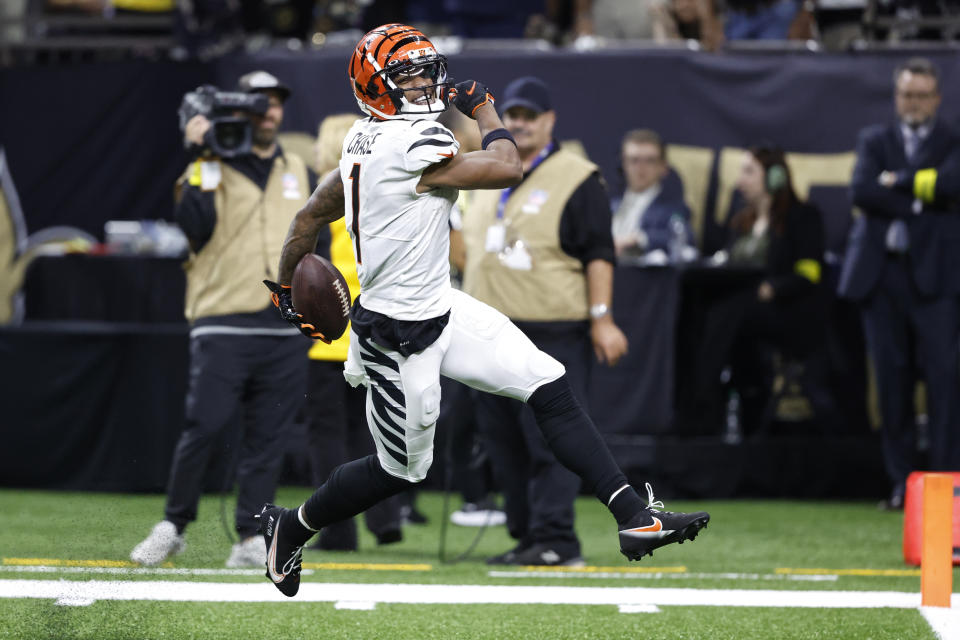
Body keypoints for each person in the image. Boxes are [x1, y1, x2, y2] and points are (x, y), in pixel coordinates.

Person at [257, 24, 709, 598]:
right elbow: (505, 167)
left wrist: (288, 286)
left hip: (439, 306)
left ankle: (633, 516)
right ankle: (291, 527)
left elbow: (308, 217)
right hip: (398, 338)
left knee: (548, 381)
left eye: (425, 70)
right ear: (374, 86)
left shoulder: (365, 138)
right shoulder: (406, 142)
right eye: (406, 75)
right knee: (401, 470)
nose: (423, 84)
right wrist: (487, 111)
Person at [130, 71, 311, 568]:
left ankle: (252, 536)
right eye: (258, 103)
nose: (268, 111)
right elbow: (194, 227)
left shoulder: (298, 165)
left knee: (267, 437)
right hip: (222, 316)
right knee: (204, 426)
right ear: (237, 111)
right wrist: (201, 155)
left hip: (282, 322)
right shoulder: (210, 163)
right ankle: (174, 524)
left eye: (275, 102)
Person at [458, 76, 626, 566]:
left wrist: (603, 317)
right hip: (487, 330)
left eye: (530, 116)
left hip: (551, 328)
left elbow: (599, 252)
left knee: (548, 440)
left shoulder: (576, 175)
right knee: (502, 443)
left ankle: (556, 539)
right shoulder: (488, 170)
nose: (520, 124)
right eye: (513, 115)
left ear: (550, 120)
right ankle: (528, 535)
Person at [839, 57, 960, 510]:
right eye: (907, 94)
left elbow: (954, 183)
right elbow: (861, 191)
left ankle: (947, 486)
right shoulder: (874, 139)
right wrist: (920, 200)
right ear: (897, 97)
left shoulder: (952, 140)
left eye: (922, 95)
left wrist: (898, 183)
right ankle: (901, 484)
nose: (914, 103)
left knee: (945, 385)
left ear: (937, 98)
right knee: (892, 384)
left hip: (937, 279)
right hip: (882, 276)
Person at [304, 113, 404, 551]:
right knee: (373, 432)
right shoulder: (379, 195)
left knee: (329, 437)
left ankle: (339, 529)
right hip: (374, 330)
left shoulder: (321, 202)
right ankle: (386, 520)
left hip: (328, 336)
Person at [691, 145, 826, 434]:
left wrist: (773, 288)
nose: (741, 180)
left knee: (731, 311)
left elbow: (809, 273)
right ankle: (696, 402)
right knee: (706, 310)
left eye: (749, 171)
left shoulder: (802, 217)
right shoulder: (742, 222)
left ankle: (705, 394)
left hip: (787, 313)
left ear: (775, 177)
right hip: (742, 314)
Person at [611, 128, 694, 261]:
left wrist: (638, 239)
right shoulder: (612, 205)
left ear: (663, 167)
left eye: (650, 160)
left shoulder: (673, 207)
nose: (640, 167)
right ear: (623, 164)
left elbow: (686, 237)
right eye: (634, 160)